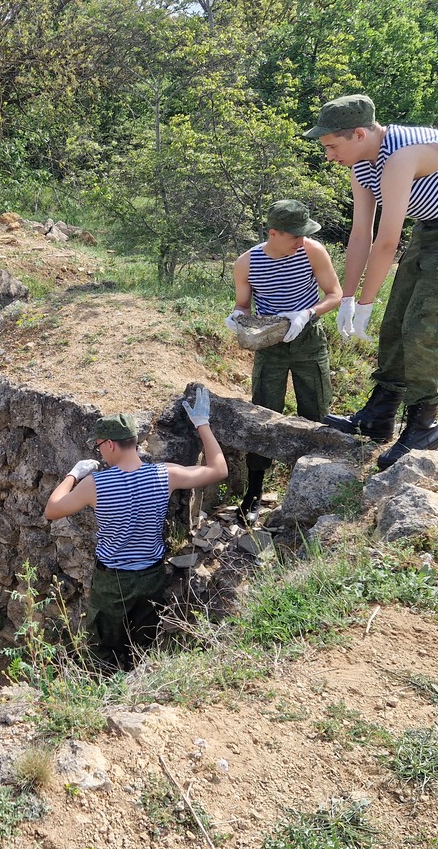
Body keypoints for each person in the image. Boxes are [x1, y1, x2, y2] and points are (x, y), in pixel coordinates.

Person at [305, 93, 438, 469]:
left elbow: (388, 240)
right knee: (394, 322)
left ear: (358, 133)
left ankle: (424, 426)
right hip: (432, 225)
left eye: (331, 145)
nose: (328, 155)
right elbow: (362, 235)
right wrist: (348, 297)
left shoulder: (403, 153)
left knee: (423, 327)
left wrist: (366, 303)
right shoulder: (362, 164)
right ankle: (379, 415)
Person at [43, 390, 229, 671]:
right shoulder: (165, 474)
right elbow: (219, 469)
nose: (99, 452)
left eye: (99, 446)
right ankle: (138, 688)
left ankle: (103, 694)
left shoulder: (95, 485)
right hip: (151, 577)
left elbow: (52, 509)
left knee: (103, 648)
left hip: (113, 582)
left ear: (111, 445)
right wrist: (202, 423)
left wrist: (73, 473)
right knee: (144, 645)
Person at [226, 199, 342, 525]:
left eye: (305, 234)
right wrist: (238, 318)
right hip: (269, 341)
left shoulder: (312, 251)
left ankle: (310, 482)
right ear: (273, 232)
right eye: (296, 236)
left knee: (315, 410)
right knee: (264, 413)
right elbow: (243, 305)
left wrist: (307, 314)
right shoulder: (247, 263)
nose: (301, 241)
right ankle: (254, 491)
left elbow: (334, 293)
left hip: (307, 338)